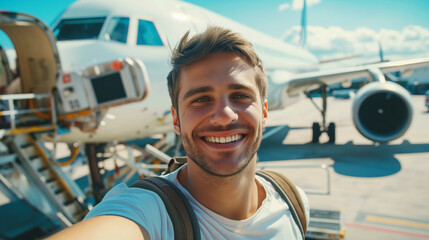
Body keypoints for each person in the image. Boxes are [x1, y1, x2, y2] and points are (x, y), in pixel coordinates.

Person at [47, 26, 309, 240]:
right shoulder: (149, 214)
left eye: (240, 95)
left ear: (264, 111)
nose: (224, 115)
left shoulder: (293, 201)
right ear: (176, 119)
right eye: (200, 99)